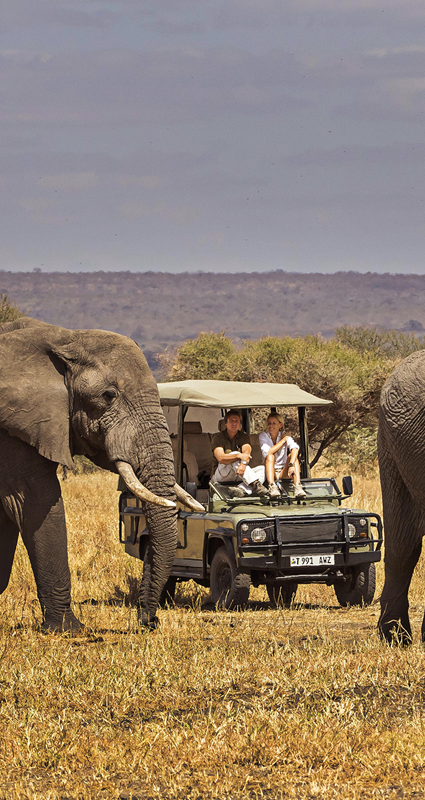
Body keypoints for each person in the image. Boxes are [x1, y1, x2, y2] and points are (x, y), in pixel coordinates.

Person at [211, 409, 269, 498]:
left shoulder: (244, 436)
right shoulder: (218, 437)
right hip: (222, 474)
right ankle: (256, 485)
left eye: (236, 421)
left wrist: (243, 463)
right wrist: (238, 456)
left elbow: (247, 452)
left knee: (262, 469)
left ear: (240, 424)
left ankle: (242, 489)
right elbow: (220, 458)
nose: (234, 424)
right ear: (225, 423)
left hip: (239, 473)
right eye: (231, 421)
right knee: (234, 453)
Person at [259, 413, 307, 499]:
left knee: (293, 456)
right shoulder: (263, 436)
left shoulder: (285, 434)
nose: (271, 426)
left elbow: (295, 448)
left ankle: (298, 486)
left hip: (283, 471)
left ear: (280, 425)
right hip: (270, 471)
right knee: (270, 456)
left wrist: (291, 464)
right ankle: (272, 486)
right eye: (269, 423)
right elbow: (268, 452)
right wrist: (283, 440)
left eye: (274, 423)